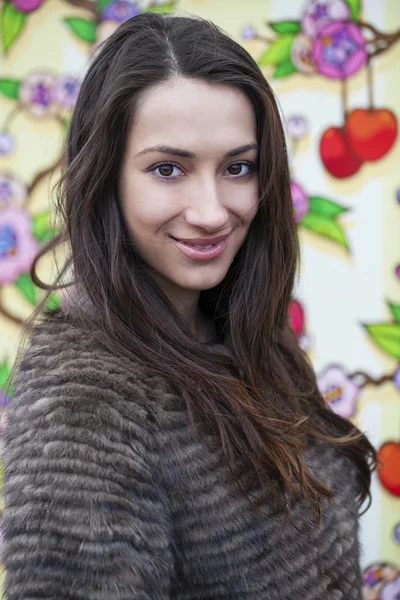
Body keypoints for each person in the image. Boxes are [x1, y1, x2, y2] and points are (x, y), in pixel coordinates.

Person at [2, 12, 377, 600]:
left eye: (237, 167)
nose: (211, 211)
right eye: (168, 169)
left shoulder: (246, 333)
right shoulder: (86, 392)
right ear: (106, 179)